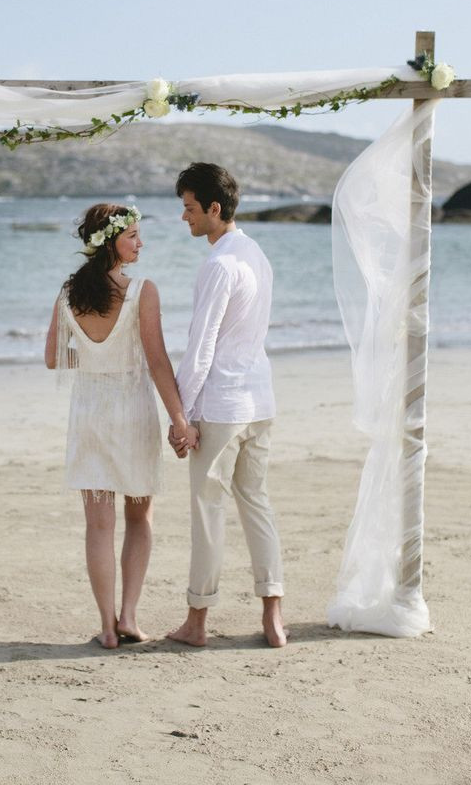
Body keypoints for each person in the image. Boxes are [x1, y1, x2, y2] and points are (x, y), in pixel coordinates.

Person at [45, 202, 197, 648]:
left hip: (89, 413)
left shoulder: (69, 292)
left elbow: (54, 357)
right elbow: (156, 360)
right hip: (131, 412)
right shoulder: (142, 290)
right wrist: (179, 418)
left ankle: (107, 628)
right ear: (110, 240)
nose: (140, 242)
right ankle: (129, 616)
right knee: (139, 515)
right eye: (132, 234)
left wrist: (93, 358)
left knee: (98, 526)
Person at [166, 163, 286, 648]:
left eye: (190, 208)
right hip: (260, 400)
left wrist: (182, 416)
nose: (184, 217)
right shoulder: (256, 254)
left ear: (215, 209)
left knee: (208, 509)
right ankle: (273, 615)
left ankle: (197, 622)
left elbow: (201, 347)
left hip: (222, 405)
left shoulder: (219, 265)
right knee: (256, 503)